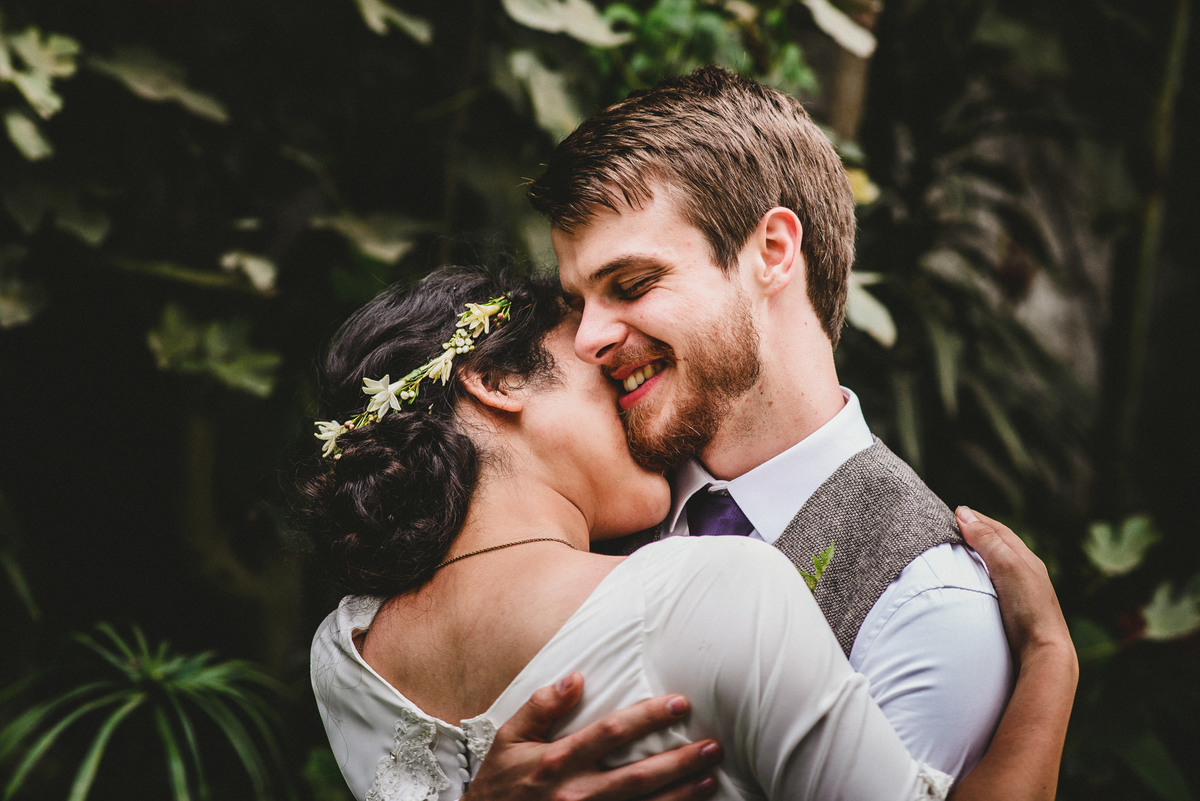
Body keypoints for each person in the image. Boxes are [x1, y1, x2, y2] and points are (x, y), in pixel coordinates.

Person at [304, 267, 1078, 801]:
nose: (632, 400)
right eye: (604, 373)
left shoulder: (344, 655)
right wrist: (1049, 661)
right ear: (499, 380)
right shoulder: (715, 590)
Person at [467, 64, 1013, 792]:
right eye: (579, 302)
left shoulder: (928, 602)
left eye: (631, 285)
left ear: (773, 252)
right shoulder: (583, 508)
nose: (590, 338)